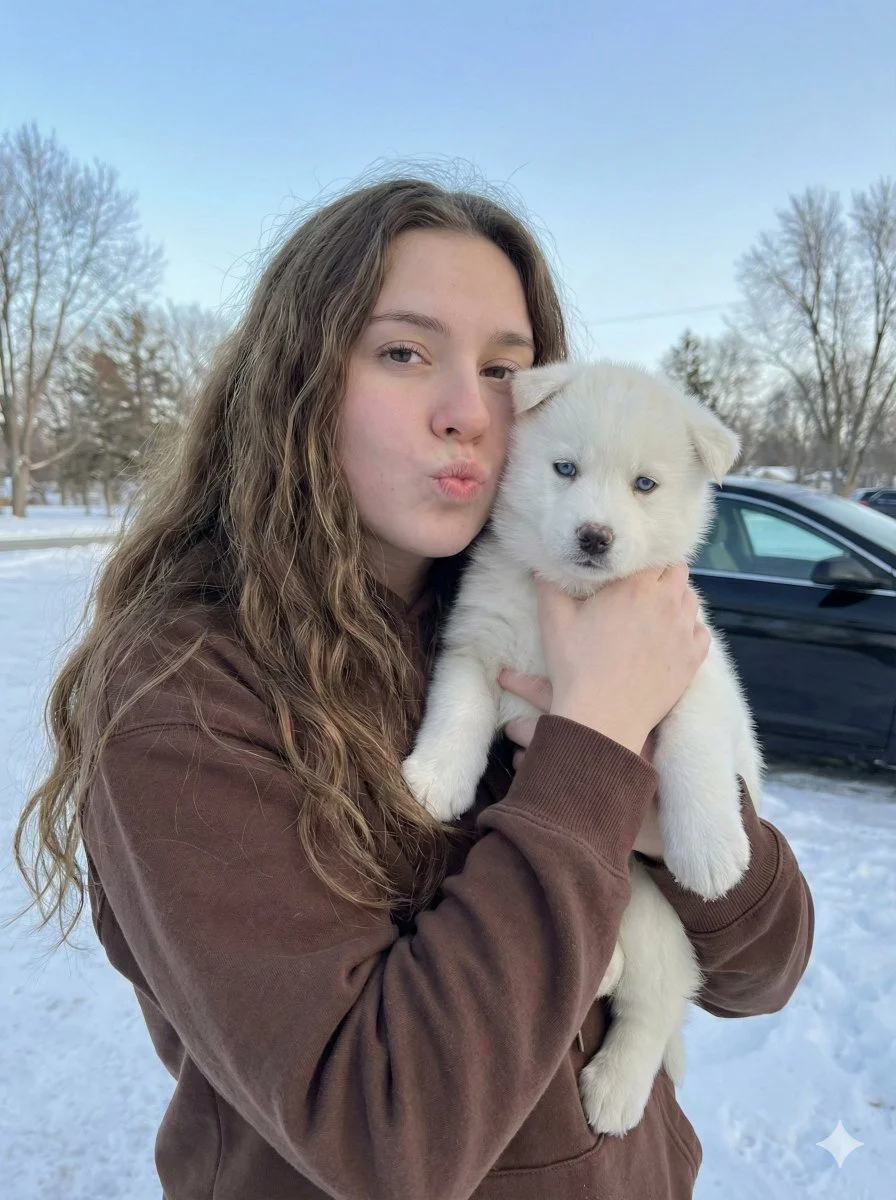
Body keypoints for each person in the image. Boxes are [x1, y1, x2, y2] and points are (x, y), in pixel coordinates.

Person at [15, 176, 814, 1200]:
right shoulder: (186, 697)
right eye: (403, 353)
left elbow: (765, 969)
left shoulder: (552, 608)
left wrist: (660, 802)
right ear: (298, 379)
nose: (465, 414)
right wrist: (592, 746)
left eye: (502, 369)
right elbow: (385, 1138)